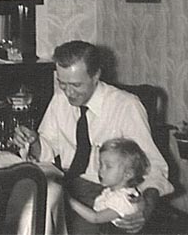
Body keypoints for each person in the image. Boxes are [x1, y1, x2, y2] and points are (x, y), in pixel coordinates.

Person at [13, 40, 173, 234]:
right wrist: (34, 141)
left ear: (96, 76)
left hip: (105, 191)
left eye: (76, 85)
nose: (68, 92)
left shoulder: (126, 106)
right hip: (67, 183)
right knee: (19, 211)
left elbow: (154, 167)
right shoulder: (60, 99)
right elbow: (46, 151)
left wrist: (145, 209)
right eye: (62, 84)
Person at [68, 138, 150, 226]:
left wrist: (70, 201)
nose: (101, 170)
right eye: (101, 164)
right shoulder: (112, 191)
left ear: (127, 174)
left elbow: (96, 218)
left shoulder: (123, 199)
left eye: (108, 167)